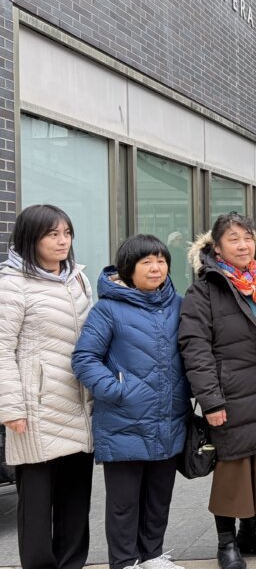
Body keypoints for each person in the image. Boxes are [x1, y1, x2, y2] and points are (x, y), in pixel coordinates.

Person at [72, 234, 190, 569]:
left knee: (158, 496)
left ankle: (152, 555)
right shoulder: (108, 308)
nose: (156, 268)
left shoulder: (177, 303)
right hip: (124, 420)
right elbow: (85, 358)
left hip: (168, 417)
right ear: (128, 268)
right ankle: (124, 562)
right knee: (124, 503)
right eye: (146, 262)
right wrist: (118, 391)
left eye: (161, 261)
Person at [179, 213, 256, 569]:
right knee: (233, 470)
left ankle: (250, 534)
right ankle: (225, 542)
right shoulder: (204, 290)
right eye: (233, 239)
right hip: (231, 394)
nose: (243, 245)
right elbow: (195, 348)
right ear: (217, 247)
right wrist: (210, 399)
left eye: (247, 238)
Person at [0, 204, 94, 569]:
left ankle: (72, 564)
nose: (62, 241)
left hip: (78, 403)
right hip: (34, 409)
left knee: (76, 500)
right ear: (31, 238)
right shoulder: (12, 284)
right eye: (52, 234)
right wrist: (10, 408)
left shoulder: (78, 279)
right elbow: (2, 349)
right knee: (37, 506)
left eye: (67, 233)